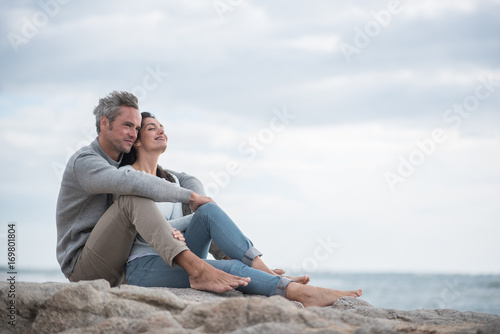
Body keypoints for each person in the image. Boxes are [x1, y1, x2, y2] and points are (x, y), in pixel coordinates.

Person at [120, 111, 363, 307]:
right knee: (231, 268)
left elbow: (172, 231)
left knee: (208, 211)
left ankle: (268, 273)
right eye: (152, 128)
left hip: (176, 257)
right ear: (137, 141)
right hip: (144, 266)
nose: (161, 130)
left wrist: (180, 228)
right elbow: (144, 232)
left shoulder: (171, 181)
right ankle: (301, 292)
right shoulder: (128, 177)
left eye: (162, 126)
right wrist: (177, 228)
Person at [56, 91, 250, 292]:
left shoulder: (121, 159)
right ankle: (197, 269)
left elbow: (176, 177)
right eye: (127, 126)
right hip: (84, 266)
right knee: (133, 200)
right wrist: (190, 197)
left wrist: (195, 194)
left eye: (137, 128)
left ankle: (234, 258)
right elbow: (135, 182)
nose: (133, 133)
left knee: (203, 211)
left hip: (120, 259)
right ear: (105, 123)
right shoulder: (86, 162)